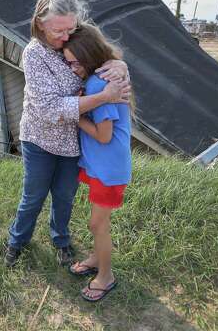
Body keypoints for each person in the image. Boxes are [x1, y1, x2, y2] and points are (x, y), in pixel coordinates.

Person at [4, 0, 131, 267]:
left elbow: (103, 56)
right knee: (33, 195)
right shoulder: (34, 54)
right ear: (40, 23)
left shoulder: (77, 37)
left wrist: (120, 66)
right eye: (57, 31)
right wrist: (102, 97)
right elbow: (50, 109)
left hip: (73, 141)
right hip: (39, 137)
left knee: (64, 196)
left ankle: (61, 240)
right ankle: (17, 240)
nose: (64, 38)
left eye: (70, 30)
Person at [63, 24, 132, 302]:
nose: (72, 68)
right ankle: (95, 257)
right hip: (100, 164)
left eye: (75, 62)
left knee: (97, 224)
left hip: (109, 166)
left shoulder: (97, 84)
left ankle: (106, 276)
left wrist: (75, 115)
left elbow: (104, 135)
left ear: (90, 56)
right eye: (68, 63)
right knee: (97, 222)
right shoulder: (98, 78)